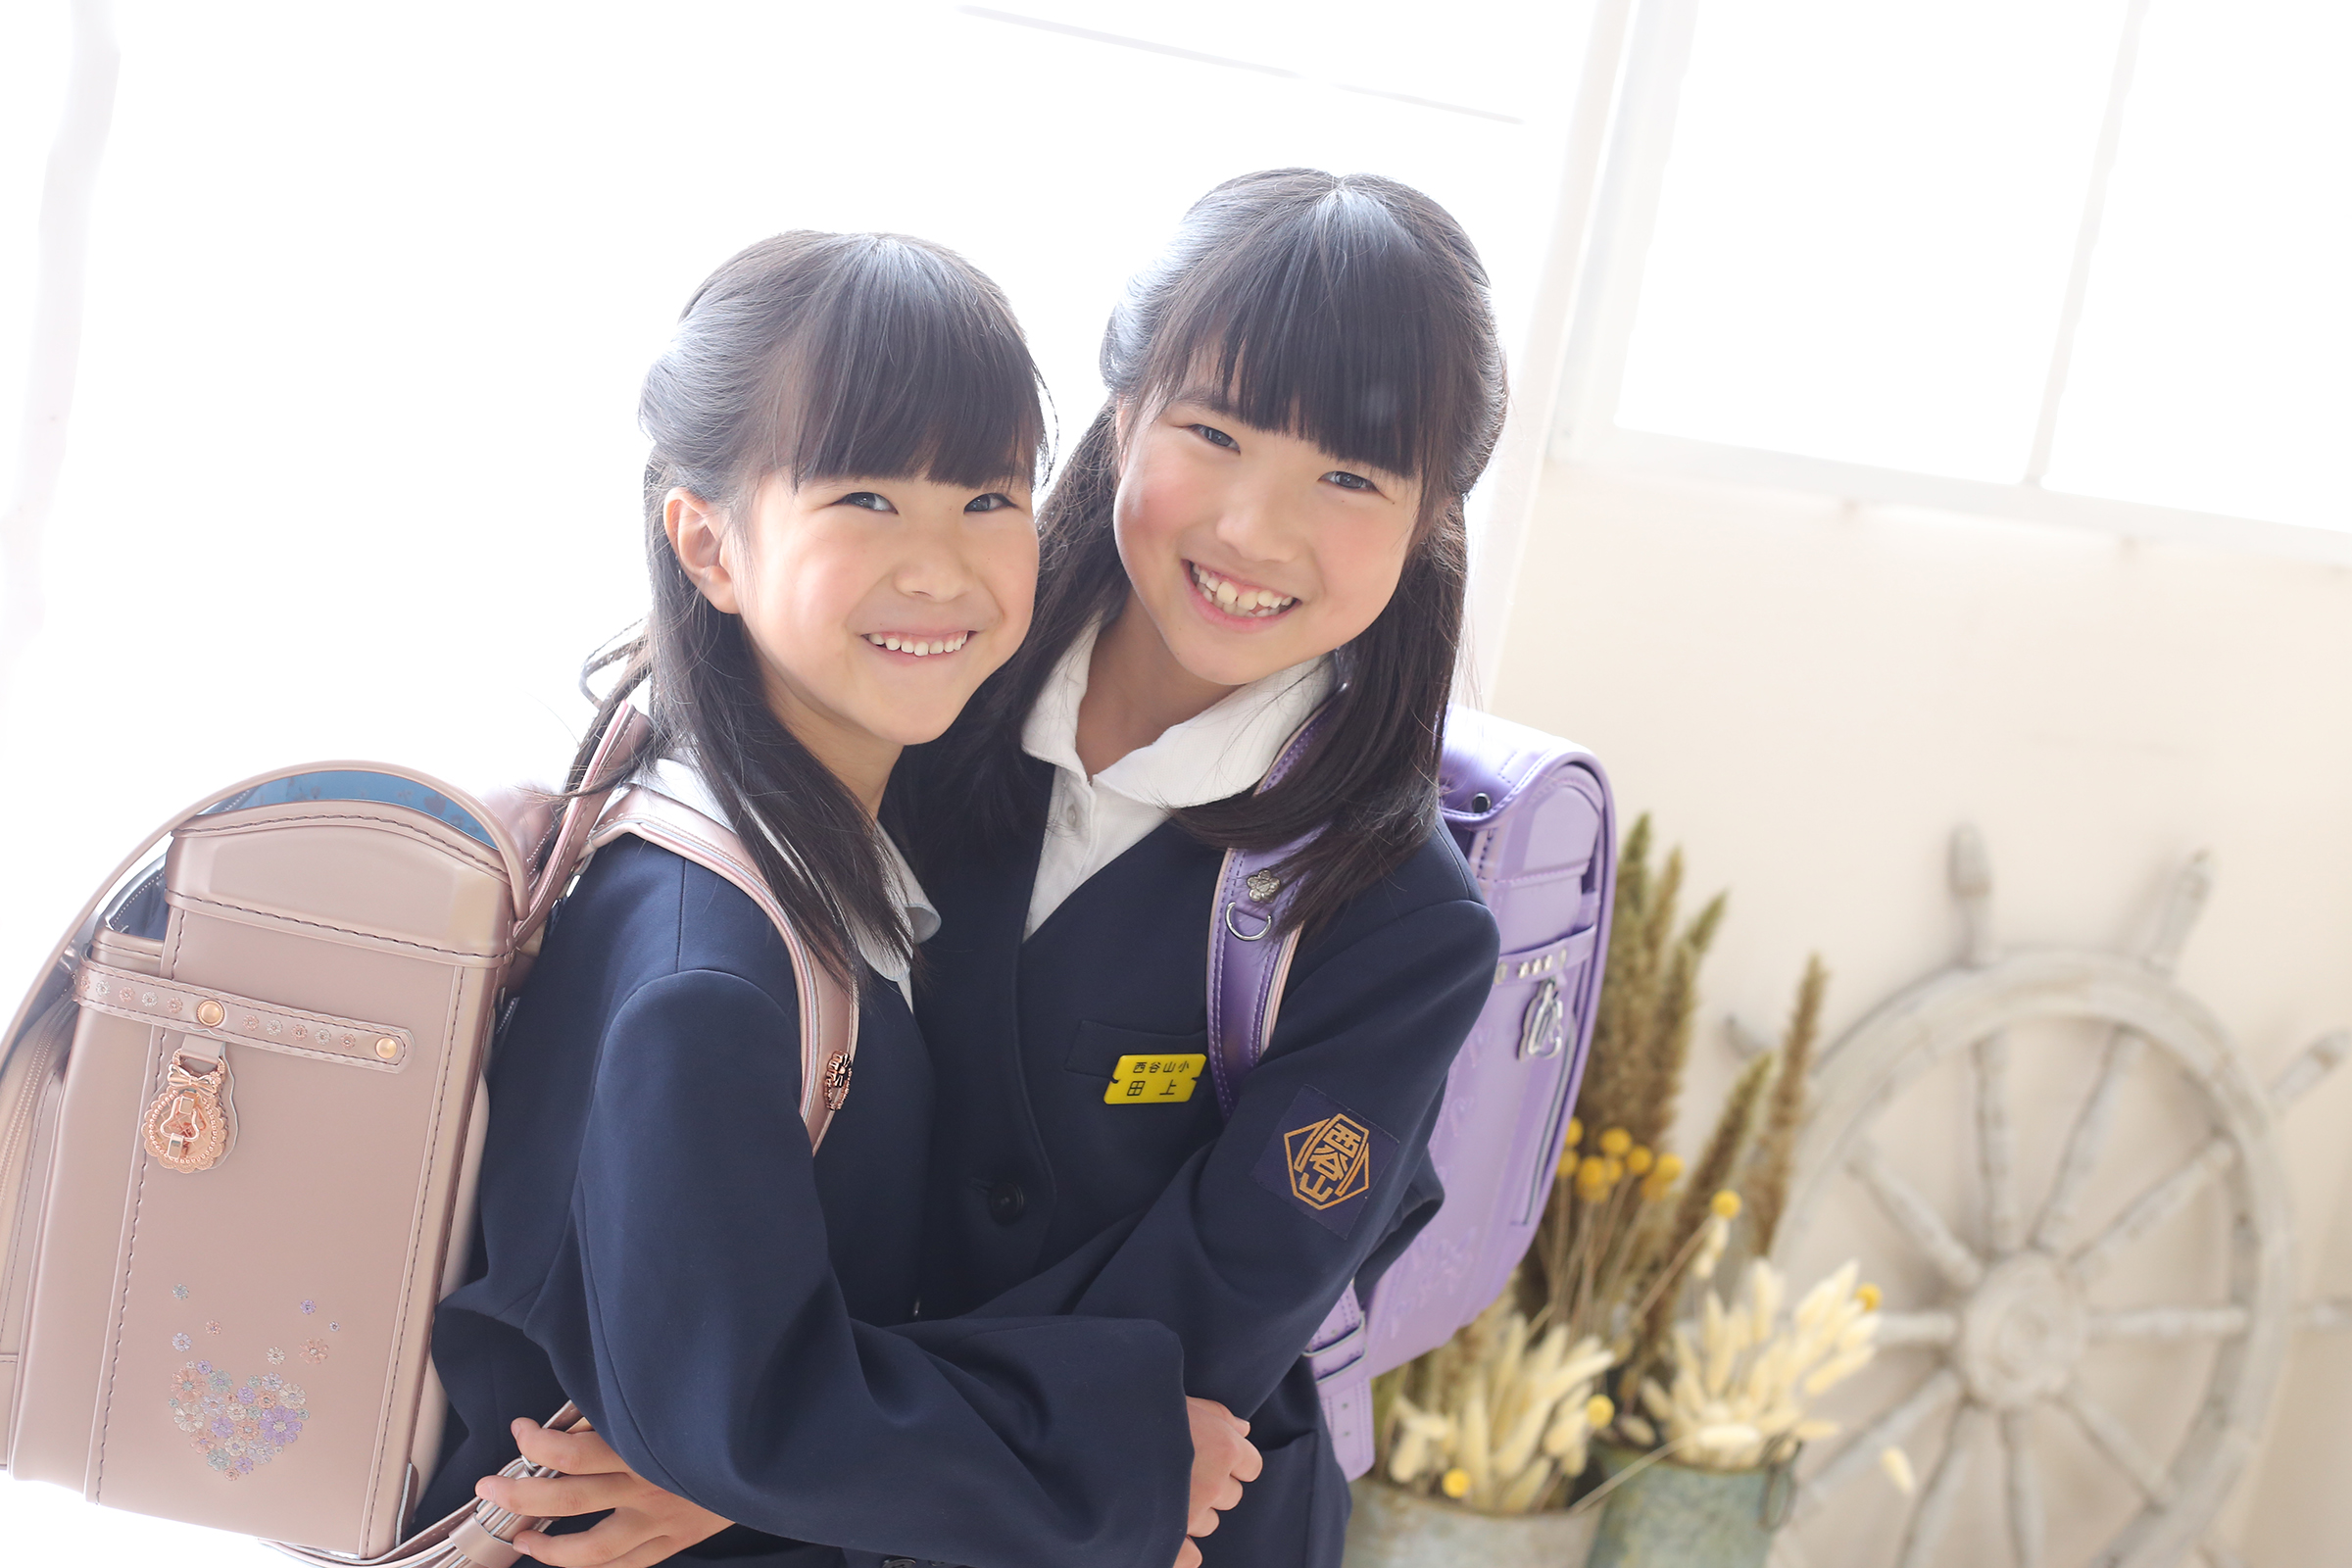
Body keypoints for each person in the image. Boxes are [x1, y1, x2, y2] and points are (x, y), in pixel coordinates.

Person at [417, 230, 1257, 1568]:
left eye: (986, 497)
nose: (939, 567)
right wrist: (1115, 1454)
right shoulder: (706, 967)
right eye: (866, 498)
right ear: (710, 545)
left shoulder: (796, 842)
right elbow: (739, 1412)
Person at [890, 168, 1509, 1566]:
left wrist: (774, 1454)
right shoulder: (923, 693)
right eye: (1214, 433)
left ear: (1432, 517)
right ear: (1124, 416)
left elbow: (1188, 1331)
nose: (1250, 532)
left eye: (1349, 476)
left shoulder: (1399, 920)